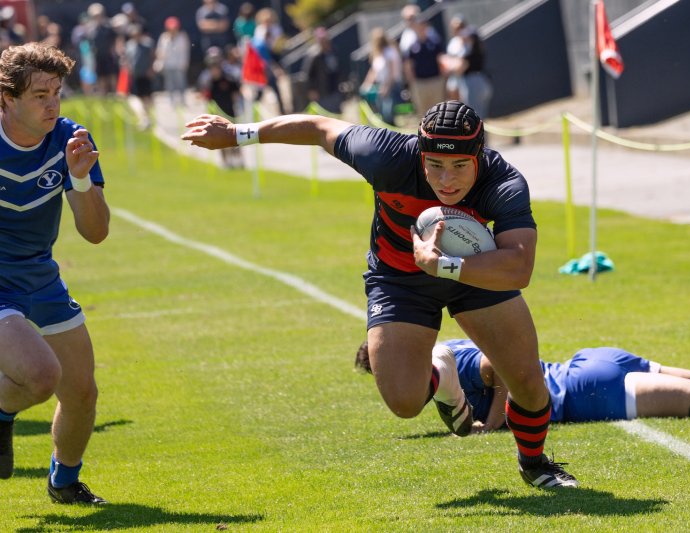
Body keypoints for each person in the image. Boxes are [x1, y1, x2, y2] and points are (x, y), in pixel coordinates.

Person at [181, 99, 578, 489]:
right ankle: (441, 377)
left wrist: (446, 265)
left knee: (526, 379)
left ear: (480, 156)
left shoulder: (503, 180)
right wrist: (237, 133)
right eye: (435, 165)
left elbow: (519, 267)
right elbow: (319, 129)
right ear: (419, 153)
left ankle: (535, 464)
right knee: (404, 403)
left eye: (460, 166)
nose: (446, 180)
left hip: (473, 272)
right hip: (399, 280)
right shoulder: (387, 156)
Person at [0, 42, 110, 504]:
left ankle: (64, 482)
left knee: (82, 391)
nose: (52, 104)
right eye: (39, 95)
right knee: (42, 377)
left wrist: (80, 178)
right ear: (6, 100)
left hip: (41, 274)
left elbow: (96, 232)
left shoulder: (68, 138)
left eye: (57, 92)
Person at [356, 339, 690, 432]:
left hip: (581, 394)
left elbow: (498, 367)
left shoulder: (444, 364)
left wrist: (491, 424)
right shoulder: (442, 350)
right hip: (590, 363)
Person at [441, 16, 493, 120]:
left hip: (474, 80)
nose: (458, 30)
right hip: (464, 81)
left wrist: (451, 65)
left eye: (460, 27)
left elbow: (460, 66)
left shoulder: (471, 35)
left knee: (475, 118)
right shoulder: (454, 42)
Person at [359, 28, 402, 126]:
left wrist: (387, 87)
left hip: (391, 85)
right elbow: (374, 70)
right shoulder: (377, 54)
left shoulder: (390, 52)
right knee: (381, 113)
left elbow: (391, 72)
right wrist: (367, 83)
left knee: (388, 113)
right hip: (381, 85)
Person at [302, 27, 342, 114]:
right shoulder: (313, 55)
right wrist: (311, 90)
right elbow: (307, 74)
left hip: (334, 88)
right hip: (322, 91)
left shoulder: (333, 50)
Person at [154, 16, 191, 108]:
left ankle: (182, 101)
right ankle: (172, 102)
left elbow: (185, 51)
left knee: (181, 83)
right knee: (169, 84)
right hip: (168, 65)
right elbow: (160, 51)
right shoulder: (163, 37)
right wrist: (159, 61)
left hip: (179, 65)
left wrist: (184, 63)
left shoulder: (182, 37)